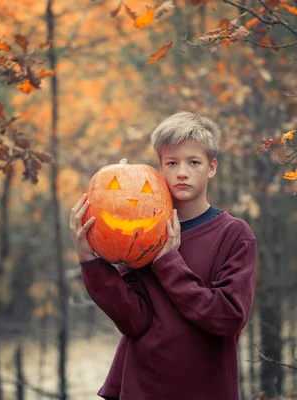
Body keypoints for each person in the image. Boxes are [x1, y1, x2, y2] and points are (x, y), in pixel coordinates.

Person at [69, 111, 257, 400]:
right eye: (172, 163)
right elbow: (134, 319)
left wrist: (168, 263)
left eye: (193, 162)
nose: (182, 172)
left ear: (211, 167)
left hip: (205, 387)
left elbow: (228, 317)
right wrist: (90, 260)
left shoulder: (233, 234)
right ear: (160, 168)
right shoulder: (141, 232)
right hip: (142, 386)